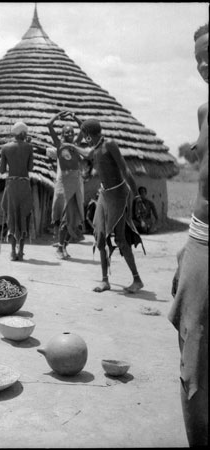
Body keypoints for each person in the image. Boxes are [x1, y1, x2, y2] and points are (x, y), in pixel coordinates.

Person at [169, 23, 208, 447]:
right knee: (192, 356)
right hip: (200, 239)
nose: (203, 64)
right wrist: (187, 246)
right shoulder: (204, 112)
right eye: (197, 56)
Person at [69, 114, 145, 293]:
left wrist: (136, 196)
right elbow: (87, 147)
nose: (84, 139)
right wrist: (76, 120)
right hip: (104, 195)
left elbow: (125, 169)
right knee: (100, 237)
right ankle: (105, 281)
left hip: (118, 194)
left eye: (85, 135)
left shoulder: (109, 145)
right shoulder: (95, 148)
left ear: (89, 135)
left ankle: (137, 279)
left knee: (120, 239)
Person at [46, 111, 85, 259]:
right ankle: (60, 248)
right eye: (66, 132)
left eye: (71, 132)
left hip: (75, 182)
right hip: (64, 183)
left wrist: (74, 116)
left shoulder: (75, 145)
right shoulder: (59, 145)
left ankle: (64, 246)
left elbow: (83, 127)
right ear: (62, 134)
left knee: (74, 218)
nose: (69, 133)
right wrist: (58, 115)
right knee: (65, 217)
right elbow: (49, 125)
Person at [0, 121, 34, 261]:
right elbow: (30, 168)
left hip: (11, 185)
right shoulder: (29, 147)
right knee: (24, 216)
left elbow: (2, 170)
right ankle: (21, 252)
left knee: (12, 216)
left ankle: (13, 252)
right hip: (24, 185)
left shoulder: (5, 147)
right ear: (24, 134)